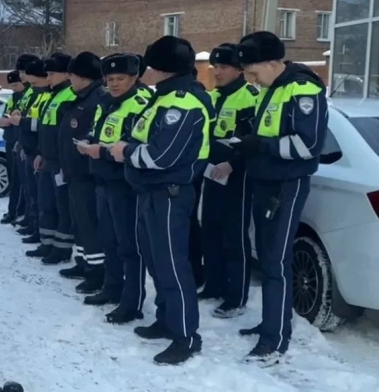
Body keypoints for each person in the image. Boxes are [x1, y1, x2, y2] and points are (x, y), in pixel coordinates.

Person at [108, 36, 212, 365]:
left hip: (170, 194)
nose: (147, 72)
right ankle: (166, 320)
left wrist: (124, 151)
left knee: (173, 266)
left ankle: (185, 336)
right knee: (155, 262)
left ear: (164, 70)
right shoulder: (163, 99)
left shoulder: (182, 103)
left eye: (151, 66)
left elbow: (162, 155)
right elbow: (144, 136)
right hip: (150, 191)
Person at [233, 31, 328, 364]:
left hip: (286, 185)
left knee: (276, 262)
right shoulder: (270, 88)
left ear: (273, 63)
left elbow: (307, 146)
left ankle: (275, 339)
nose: (250, 79)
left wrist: (261, 145)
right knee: (269, 258)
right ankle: (270, 323)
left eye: (253, 71)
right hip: (265, 182)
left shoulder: (302, 89)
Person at [78, 53, 152, 321]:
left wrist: (103, 152)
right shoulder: (105, 102)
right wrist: (89, 142)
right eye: (110, 79)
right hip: (103, 180)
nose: (115, 83)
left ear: (135, 78)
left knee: (128, 246)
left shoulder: (142, 104)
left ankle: (132, 301)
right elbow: (101, 133)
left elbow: (135, 144)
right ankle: (112, 287)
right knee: (109, 241)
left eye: (121, 78)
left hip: (126, 184)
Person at [198, 44, 257, 319]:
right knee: (210, 230)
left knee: (234, 236)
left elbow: (253, 141)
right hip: (212, 173)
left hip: (237, 176)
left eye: (223, 67)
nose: (217, 72)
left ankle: (236, 297)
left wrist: (233, 164)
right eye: (215, 67)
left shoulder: (250, 97)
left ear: (239, 69)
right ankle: (213, 284)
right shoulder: (212, 97)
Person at [57, 52, 104, 288]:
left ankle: (97, 271)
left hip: (88, 173)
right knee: (80, 222)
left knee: (90, 223)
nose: (69, 79)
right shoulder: (81, 98)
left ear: (83, 77)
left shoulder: (97, 99)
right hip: (75, 172)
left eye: (72, 75)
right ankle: (84, 262)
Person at [27, 53, 76, 265]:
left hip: (60, 161)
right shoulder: (53, 95)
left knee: (61, 207)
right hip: (47, 159)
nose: (48, 78)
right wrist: (39, 152)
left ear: (66, 73)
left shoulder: (70, 95)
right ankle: (47, 242)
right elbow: (45, 129)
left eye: (52, 73)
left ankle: (61, 248)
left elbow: (64, 134)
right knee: (46, 203)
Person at [10, 59, 48, 245]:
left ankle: (40, 230)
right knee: (32, 192)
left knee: (42, 198)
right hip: (29, 147)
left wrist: (21, 122)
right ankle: (33, 224)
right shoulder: (32, 93)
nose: (23, 77)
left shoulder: (43, 94)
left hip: (40, 150)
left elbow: (42, 125)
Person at [0, 69, 26, 225]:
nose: (13, 88)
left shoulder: (26, 97)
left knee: (19, 181)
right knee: (13, 179)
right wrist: (3, 121)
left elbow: (20, 119)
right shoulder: (12, 98)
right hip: (10, 140)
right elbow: (6, 115)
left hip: (19, 141)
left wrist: (10, 121)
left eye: (16, 85)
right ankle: (14, 209)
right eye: (11, 86)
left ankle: (16, 211)